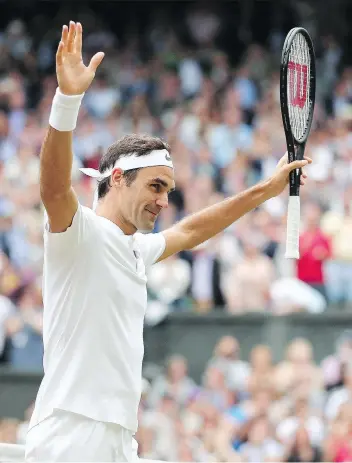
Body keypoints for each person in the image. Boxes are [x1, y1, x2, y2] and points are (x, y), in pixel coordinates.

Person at [25, 21, 311, 462]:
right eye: (156, 186)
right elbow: (54, 190)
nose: (163, 201)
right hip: (70, 433)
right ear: (117, 179)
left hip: (120, 436)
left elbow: (193, 230)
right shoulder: (78, 232)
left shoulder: (138, 248)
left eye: (168, 190)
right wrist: (67, 100)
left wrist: (265, 189)